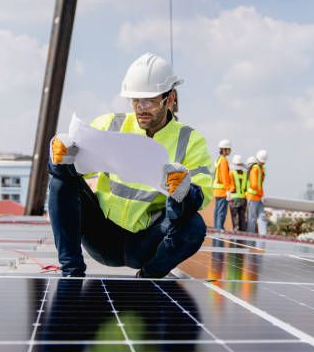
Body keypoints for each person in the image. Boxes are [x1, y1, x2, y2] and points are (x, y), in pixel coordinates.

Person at [48, 52, 213, 277]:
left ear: (170, 99)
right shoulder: (110, 125)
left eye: (149, 101)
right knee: (59, 182)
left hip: (144, 244)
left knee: (194, 225)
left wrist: (186, 190)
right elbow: (71, 171)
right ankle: (71, 272)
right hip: (102, 237)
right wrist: (59, 156)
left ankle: (148, 278)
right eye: (135, 100)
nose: (140, 108)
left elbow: (202, 194)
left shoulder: (190, 140)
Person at [212, 139, 232, 229]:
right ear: (224, 149)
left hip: (216, 190)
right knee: (221, 213)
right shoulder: (224, 161)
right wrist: (228, 190)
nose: (230, 151)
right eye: (228, 149)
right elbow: (225, 176)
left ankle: (217, 229)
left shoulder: (218, 160)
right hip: (222, 190)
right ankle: (219, 231)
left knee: (217, 212)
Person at [247, 150, 268, 234]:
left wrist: (261, 195)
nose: (263, 163)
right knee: (252, 218)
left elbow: (260, 184)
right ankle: (250, 235)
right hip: (252, 196)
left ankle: (263, 235)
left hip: (258, 197)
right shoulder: (255, 169)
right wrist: (261, 194)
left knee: (262, 216)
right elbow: (254, 185)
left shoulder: (261, 169)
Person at [228, 154, 247, 231]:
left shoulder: (231, 173)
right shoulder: (245, 174)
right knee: (242, 216)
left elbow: (228, 184)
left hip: (234, 198)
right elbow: (246, 187)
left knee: (234, 215)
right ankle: (243, 232)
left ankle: (235, 230)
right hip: (243, 198)